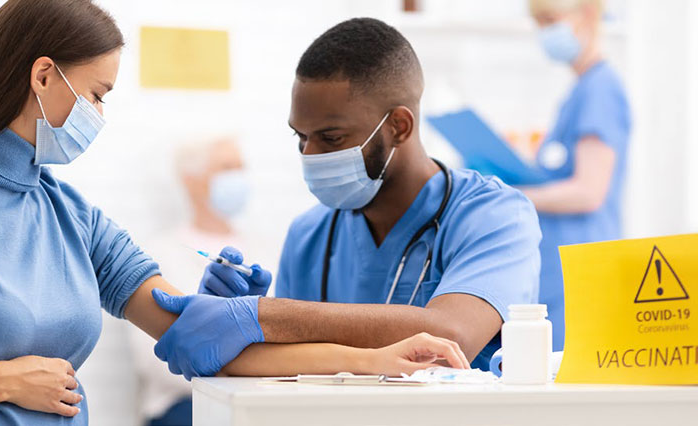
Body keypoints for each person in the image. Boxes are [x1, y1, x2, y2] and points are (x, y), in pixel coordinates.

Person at [0, 2, 469, 424]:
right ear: (43, 75)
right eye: (97, 94)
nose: (100, 113)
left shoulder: (72, 217)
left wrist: (376, 361)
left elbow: (200, 341)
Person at [153, 18, 543, 380]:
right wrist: (250, 332)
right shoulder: (310, 234)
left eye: (331, 138)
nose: (309, 155)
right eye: (301, 137)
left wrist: (265, 316)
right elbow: (298, 372)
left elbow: (452, 334)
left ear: (399, 126)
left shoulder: (493, 215)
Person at [127, 136, 259, 426]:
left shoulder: (264, 251)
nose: (238, 177)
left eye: (241, 167)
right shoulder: (159, 254)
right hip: (182, 406)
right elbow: (155, 358)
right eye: (226, 167)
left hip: (255, 402)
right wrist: (242, 370)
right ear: (190, 179)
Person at [522, 0, 631, 350]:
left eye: (550, 20)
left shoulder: (601, 89)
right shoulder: (580, 91)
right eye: (538, 23)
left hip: (582, 273)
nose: (544, 32)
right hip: (562, 272)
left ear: (585, 12)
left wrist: (514, 194)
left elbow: (588, 191)